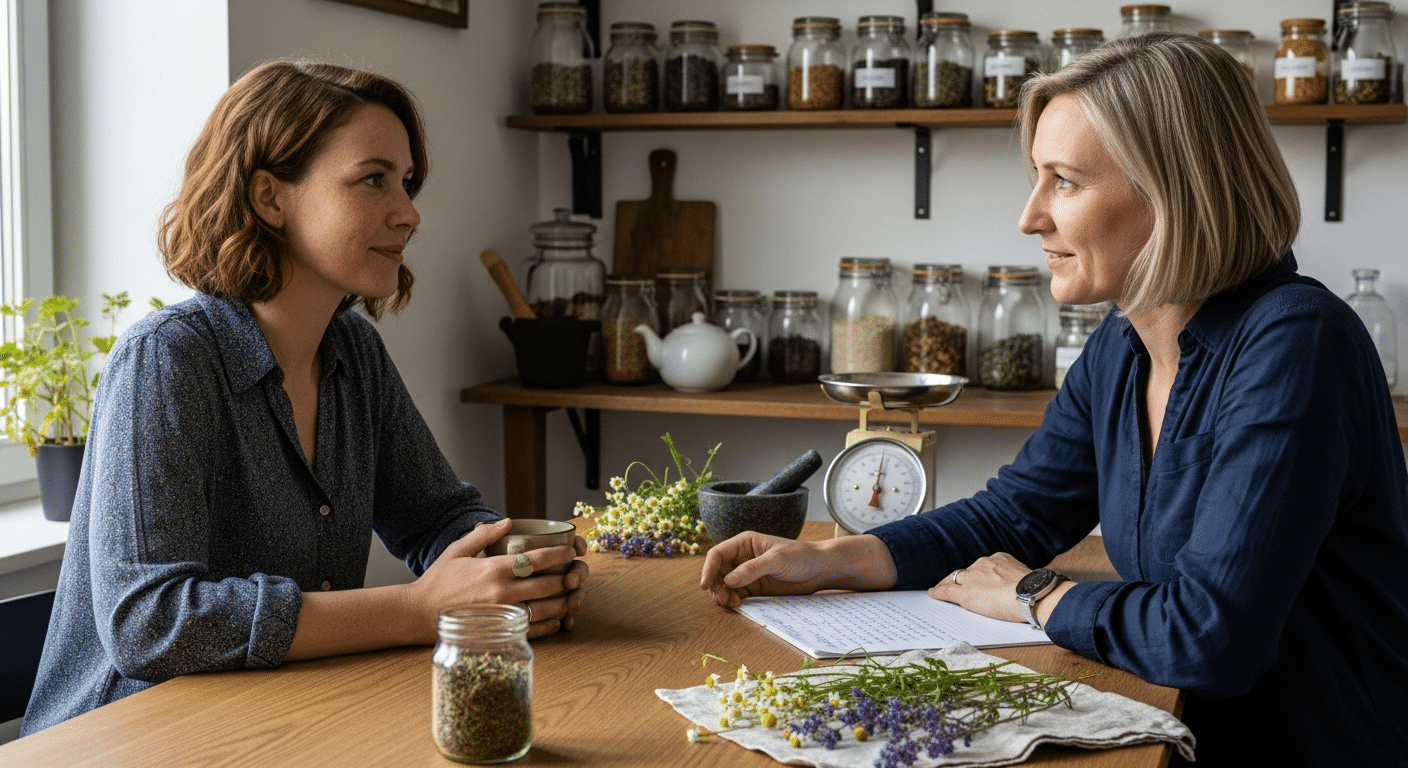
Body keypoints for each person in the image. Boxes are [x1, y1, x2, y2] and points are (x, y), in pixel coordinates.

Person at [701, 33, 1408, 767]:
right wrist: (835, 560)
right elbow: (1022, 512)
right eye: (1037, 177)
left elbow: (1211, 637)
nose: (1029, 217)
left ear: (1174, 189)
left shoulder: (1296, 342)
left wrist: (1035, 594)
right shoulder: (1122, 342)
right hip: (1180, 730)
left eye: (1064, 181)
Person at [22, 60, 589, 734]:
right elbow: (152, 625)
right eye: (371, 179)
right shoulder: (166, 360)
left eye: (405, 184)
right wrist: (415, 609)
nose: (408, 214)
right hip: (127, 739)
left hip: (280, 722)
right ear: (270, 198)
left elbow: (438, 518)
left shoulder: (353, 352)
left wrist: (519, 566)